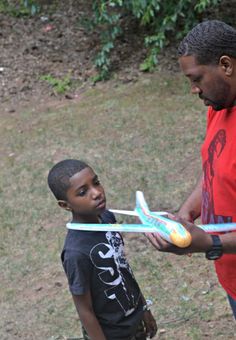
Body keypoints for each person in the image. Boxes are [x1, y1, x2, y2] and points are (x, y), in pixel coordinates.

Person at [146, 20, 236, 319]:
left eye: (196, 78)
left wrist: (209, 243)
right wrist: (187, 212)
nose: (193, 89)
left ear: (226, 65)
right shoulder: (220, 105)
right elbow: (214, 167)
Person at [47, 159, 157, 340]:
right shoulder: (76, 253)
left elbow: (123, 270)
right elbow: (84, 309)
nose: (97, 193)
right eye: (83, 192)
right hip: (110, 334)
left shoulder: (107, 218)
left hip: (134, 320)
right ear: (65, 205)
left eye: (96, 183)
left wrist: (144, 308)